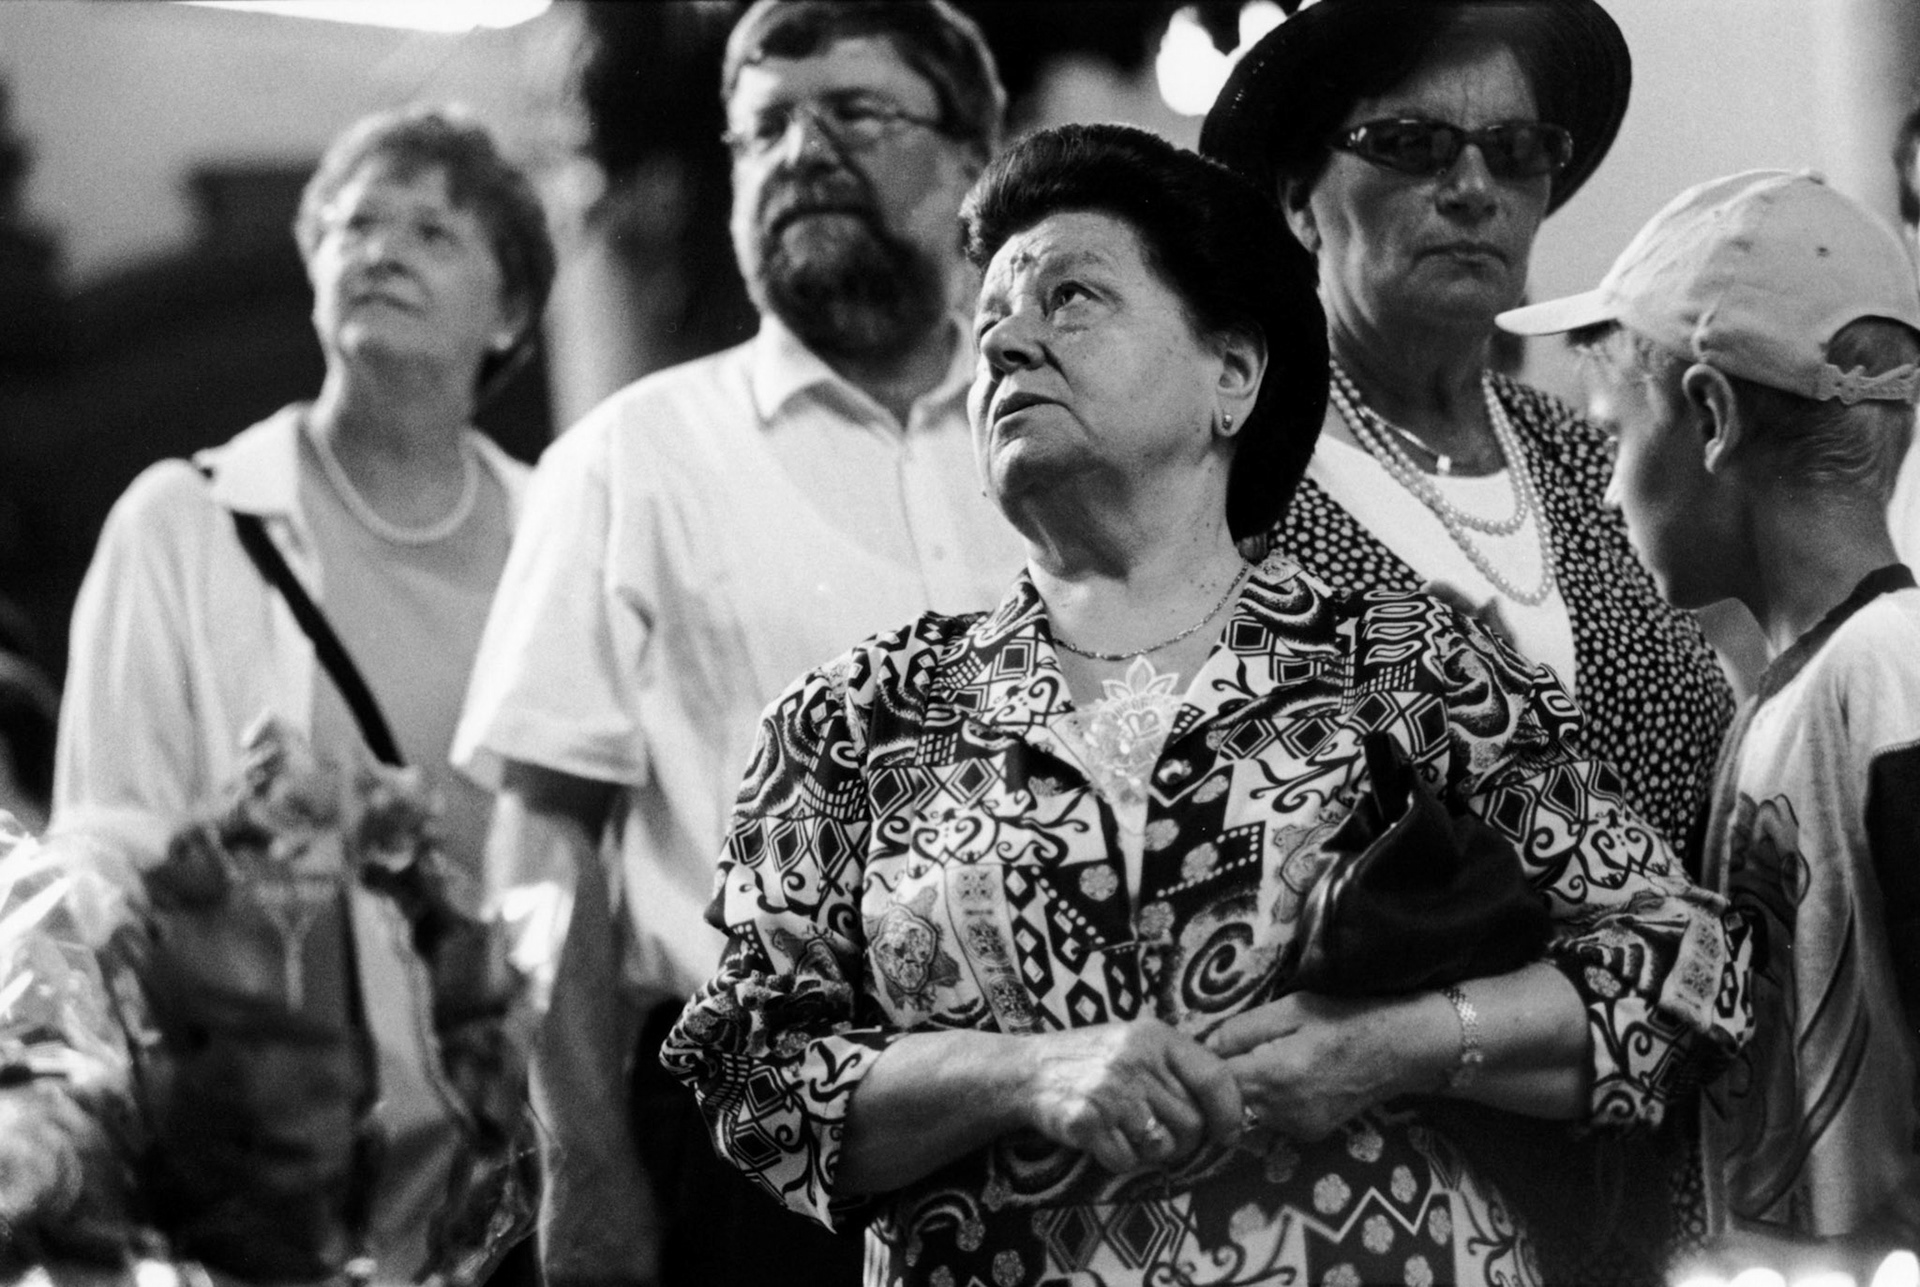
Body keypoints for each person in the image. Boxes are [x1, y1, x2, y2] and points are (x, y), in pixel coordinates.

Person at [662, 121, 1752, 1287]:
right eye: (988, 331)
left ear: (1232, 373)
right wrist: (1028, 1072)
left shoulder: (1401, 662)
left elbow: (1686, 965)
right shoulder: (856, 718)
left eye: (1069, 298)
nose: (1009, 346)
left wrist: (1393, 1047)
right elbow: (748, 1069)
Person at [451, 3, 1024, 1284]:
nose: (800, 151)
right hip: (745, 1155)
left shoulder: (1055, 444)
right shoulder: (630, 458)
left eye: (857, 114)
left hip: (1046, 1132)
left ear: (980, 161)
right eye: (764, 128)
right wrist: (584, 1167)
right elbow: (542, 839)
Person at [51, 105, 555, 1285]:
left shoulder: (564, 531)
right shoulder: (186, 521)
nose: (379, 249)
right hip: (270, 1181)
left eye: (431, 230)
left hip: (517, 1176)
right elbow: (101, 853)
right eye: (352, 222)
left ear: (514, 311)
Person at [1502, 168, 1920, 1283]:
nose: (1602, 495)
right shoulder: (1794, 695)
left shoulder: (1891, 673)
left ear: (1712, 417)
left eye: (1613, 433)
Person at [1200, 0, 1732, 857]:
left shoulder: (1589, 454)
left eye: (1517, 151)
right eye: (1412, 144)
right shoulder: (1234, 484)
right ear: (1300, 202)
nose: (1475, 190)